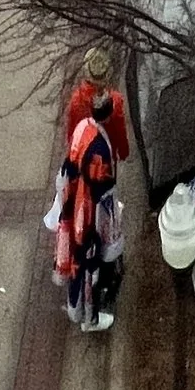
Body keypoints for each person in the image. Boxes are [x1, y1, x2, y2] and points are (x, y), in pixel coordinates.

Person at [49, 76, 127, 332]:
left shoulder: (83, 126)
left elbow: (71, 158)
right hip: (89, 210)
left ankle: (78, 306)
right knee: (87, 262)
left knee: (74, 253)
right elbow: (102, 186)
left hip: (74, 198)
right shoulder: (101, 148)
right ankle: (89, 317)